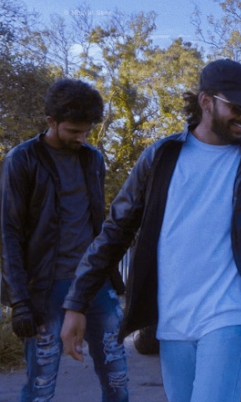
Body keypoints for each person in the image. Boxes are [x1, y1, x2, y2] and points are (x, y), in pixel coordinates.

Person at [60, 58, 241, 402]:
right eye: (237, 107)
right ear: (206, 101)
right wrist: (77, 302)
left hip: (234, 309)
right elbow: (116, 230)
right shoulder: (160, 157)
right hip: (174, 315)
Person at [1, 79, 129, 401]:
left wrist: (112, 277)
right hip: (45, 287)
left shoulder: (93, 159)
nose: (81, 138)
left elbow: (99, 223)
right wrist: (19, 301)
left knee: (118, 381)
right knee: (41, 386)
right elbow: (8, 232)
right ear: (51, 122)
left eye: (86, 131)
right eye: (73, 131)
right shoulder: (21, 159)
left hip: (94, 282)